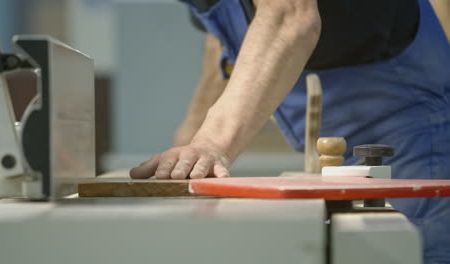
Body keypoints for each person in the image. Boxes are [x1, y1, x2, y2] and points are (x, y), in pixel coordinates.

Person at [130, 0, 450, 263]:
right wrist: (187, 148)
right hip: (339, 166)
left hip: (413, 148)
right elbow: (227, 42)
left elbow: (291, 17)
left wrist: (212, 141)